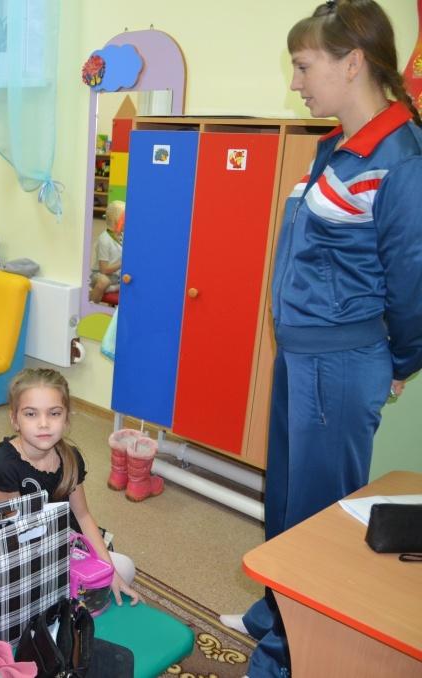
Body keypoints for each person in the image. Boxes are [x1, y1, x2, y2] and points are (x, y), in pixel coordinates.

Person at [229, 3, 422, 676]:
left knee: (317, 515)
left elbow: (414, 279)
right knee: (285, 499)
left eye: (304, 66)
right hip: (303, 354)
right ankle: (273, 616)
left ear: (352, 62)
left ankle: (288, 657)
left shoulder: (401, 157)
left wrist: (399, 361)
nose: (296, 82)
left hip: (341, 361)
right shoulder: (341, 146)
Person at [0, 368, 140, 606]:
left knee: (124, 569)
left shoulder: (70, 458)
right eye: (31, 414)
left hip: (64, 538)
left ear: (66, 419)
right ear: (15, 420)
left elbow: (83, 515)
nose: (44, 424)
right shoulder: (3, 465)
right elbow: (18, 537)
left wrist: (109, 572)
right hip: (25, 550)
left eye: (54, 413)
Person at [89, 200, 124, 303]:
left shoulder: (122, 236)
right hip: (101, 275)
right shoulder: (104, 239)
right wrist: (122, 263)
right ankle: (92, 303)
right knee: (104, 281)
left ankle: (111, 288)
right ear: (116, 220)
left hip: (116, 276)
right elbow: (104, 270)